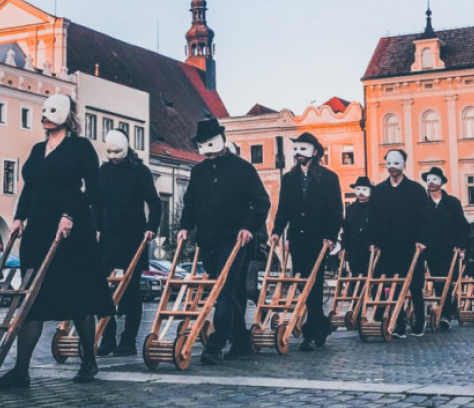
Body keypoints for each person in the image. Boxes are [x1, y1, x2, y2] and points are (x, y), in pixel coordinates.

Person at [0, 94, 114, 388]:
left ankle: (89, 360)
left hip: (71, 233)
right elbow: (30, 187)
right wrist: (18, 217)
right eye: (44, 114)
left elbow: (94, 190)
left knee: (78, 298)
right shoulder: (38, 150)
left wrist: (71, 215)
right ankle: (21, 371)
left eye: (52, 114)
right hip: (38, 231)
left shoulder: (81, 147)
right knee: (31, 298)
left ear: (66, 117)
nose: (46, 118)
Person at [178, 118, 271, 364]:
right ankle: (242, 342)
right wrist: (185, 227)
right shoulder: (198, 171)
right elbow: (190, 202)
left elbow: (262, 202)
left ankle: (216, 345)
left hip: (234, 239)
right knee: (228, 291)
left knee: (224, 290)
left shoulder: (242, 169)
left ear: (221, 141)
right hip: (207, 240)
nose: (207, 154)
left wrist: (249, 227)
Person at [271, 132, 342, 351]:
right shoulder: (289, 178)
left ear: (315, 152)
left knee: (315, 285)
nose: (298, 154)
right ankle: (320, 324)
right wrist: (277, 231)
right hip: (297, 240)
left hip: (318, 239)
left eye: (303, 149)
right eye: (296, 149)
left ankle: (311, 333)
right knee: (302, 284)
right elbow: (283, 208)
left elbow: (336, 210)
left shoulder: (329, 178)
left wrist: (330, 236)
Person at [96, 129, 162, 357]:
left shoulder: (139, 172)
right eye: (110, 152)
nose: (114, 157)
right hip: (107, 237)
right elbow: (97, 202)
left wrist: (151, 228)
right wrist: (95, 228)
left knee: (132, 291)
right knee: (99, 286)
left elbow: (155, 202)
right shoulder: (103, 171)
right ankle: (107, 335)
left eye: (118, 152)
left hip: (134, 237)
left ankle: (128, 340)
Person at [367, 149, 428, 338]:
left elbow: (424, 218)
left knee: (414, 286)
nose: (392, 167)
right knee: (392, 285)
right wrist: (374, 242)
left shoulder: (416, 190)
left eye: (396, 163)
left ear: (404, 165)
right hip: (388, 246)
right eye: (389, 163)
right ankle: (398, 324)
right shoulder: (379, 192)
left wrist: (422, 239)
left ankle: (419, 320)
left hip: (411, 245)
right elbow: (374, 219)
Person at [422, 166, 468, 330]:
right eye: (429, 180)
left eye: (435, 180)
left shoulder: (452, 203)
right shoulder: (423, 203)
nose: (431, 183)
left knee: (446, 281)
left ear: (441, 182)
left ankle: (445, 315)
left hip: (449, 249)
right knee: (436, 281)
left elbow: (461, 225)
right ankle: (442, 309)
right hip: (430, 249)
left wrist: (460, 246)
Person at [341, 177, 373, 276]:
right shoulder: (351, 209)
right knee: (356, 279)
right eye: (358, 189)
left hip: (370, 251)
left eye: (364, 189)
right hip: (354, 252)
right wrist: (343, 248)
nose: (361, 193)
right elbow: (346, 230)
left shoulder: (375, 208)